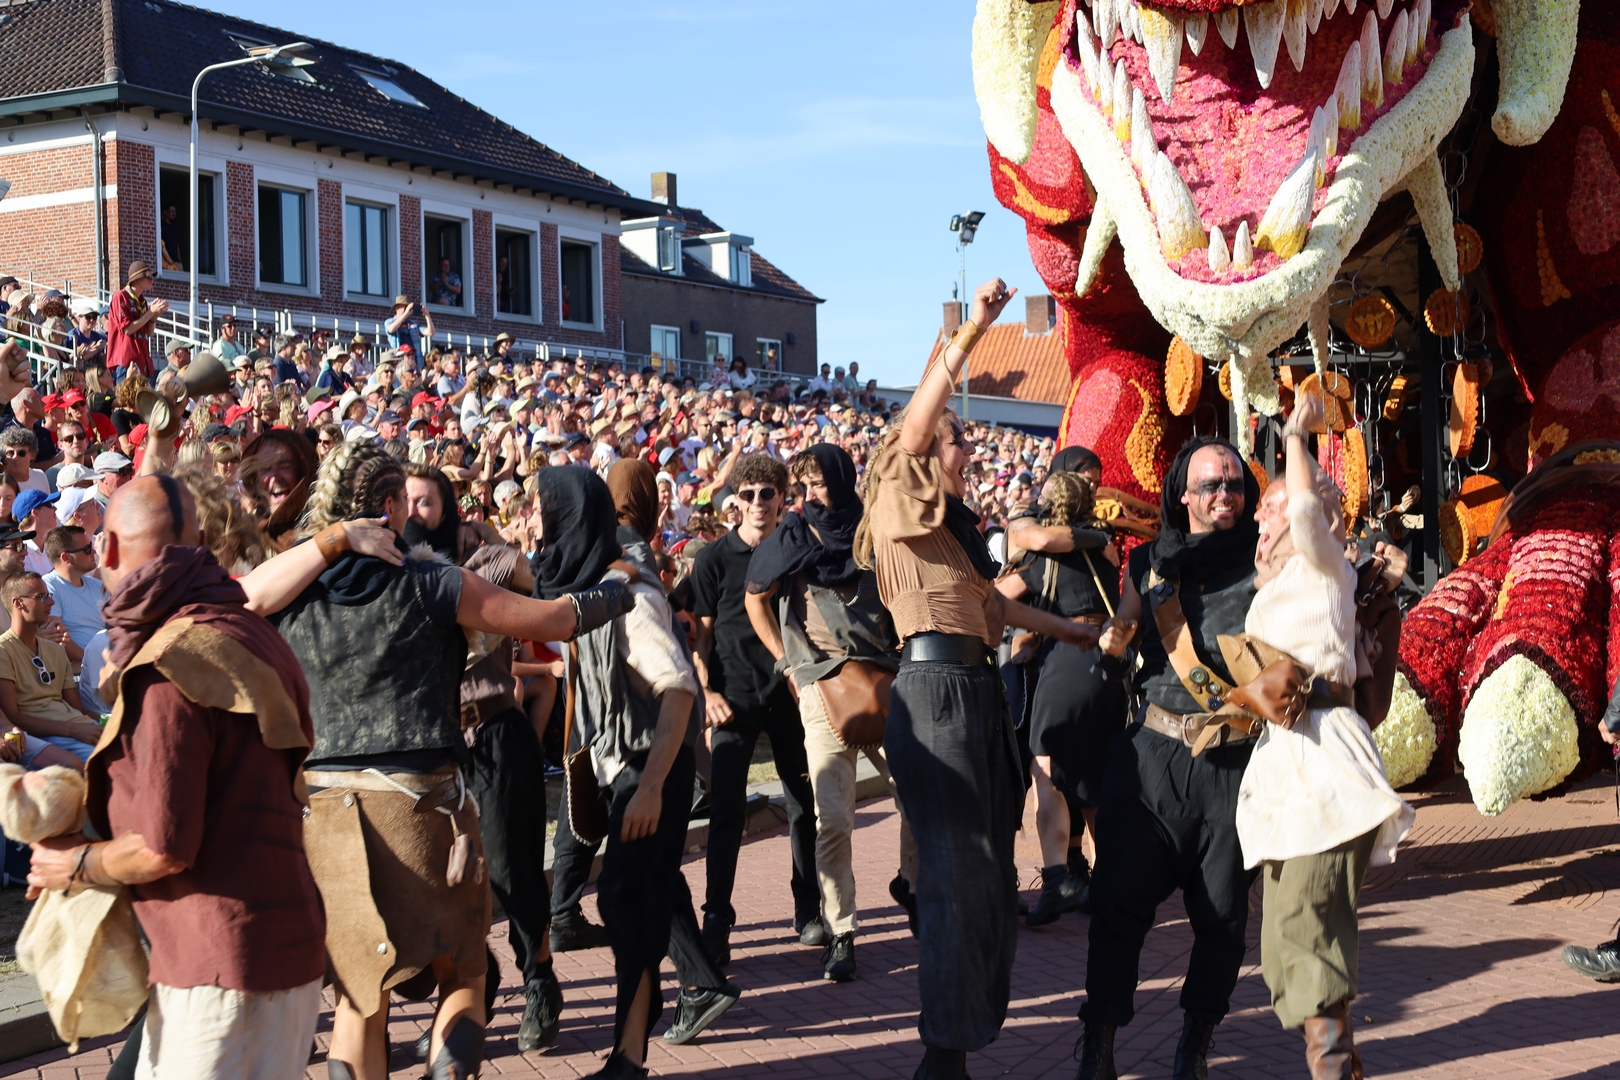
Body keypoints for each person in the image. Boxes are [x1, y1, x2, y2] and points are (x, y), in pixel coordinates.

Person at [259, 442, 632, 1080]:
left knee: (358, 995)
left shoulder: (290, 589)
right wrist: (622, 588)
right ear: (387, 506)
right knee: (462, 969)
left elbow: (238, 597)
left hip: (325, 813)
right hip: (420, 806)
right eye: (401, 500)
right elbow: (554, 618)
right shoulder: (432, 581)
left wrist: (327, 544)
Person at [855, 277, 1098, 1080]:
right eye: (958, 439)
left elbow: (997, 607)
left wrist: (1069, 629)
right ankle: (944, 1055)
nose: (969, 449)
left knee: (989, 874)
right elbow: (914, 428)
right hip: (935, 697)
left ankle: (959, 1036)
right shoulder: (899, 497)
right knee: (959, 876)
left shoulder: (949, 539)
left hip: (976, 695)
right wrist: (972, 332)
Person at [25, 477, 327, 1078]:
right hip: (284, 946)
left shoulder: (171, 662)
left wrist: (74, 864)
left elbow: (163, 846)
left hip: (218, 961)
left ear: (109, 549)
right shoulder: (249, 632)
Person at [1075, 435, 1267, 1080]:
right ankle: (1098, 1046)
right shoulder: (1149, 565)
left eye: (1235, 485)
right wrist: (1109, 642)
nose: (1225, 495)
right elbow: (1122, 636)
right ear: (1184, 494)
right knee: (1116, 906)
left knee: (1223, 918)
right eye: (1211, 484)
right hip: (1154, 759)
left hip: (1233, 764)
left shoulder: (1266, 562)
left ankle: (1195, 1048)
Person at [1235, 394, 1414, 1079]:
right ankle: (1341, 1066)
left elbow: (1309, 513)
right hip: (1288, 771)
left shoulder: (1324, 563)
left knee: (1310, 928)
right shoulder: (1283, 584)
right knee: (1285, 943)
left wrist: (1294, 435)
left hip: (1325, 767)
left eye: (1271, 505)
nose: (1261, 516)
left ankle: (1332, 1069)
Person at [531, 467, 708, 1078]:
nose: (539, 529)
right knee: (627, 902)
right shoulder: (586, 590)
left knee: (627, 903)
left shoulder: (631, 595)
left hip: (650, 768)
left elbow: (679, 691)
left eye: (547, 517)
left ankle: (629, 1056)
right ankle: (630, 1050)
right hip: (621, 769)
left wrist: (651, 788)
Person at [744, 443, 916, 982]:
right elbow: (755, 597)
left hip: (884, 681)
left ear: (842, 482)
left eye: (819, 483)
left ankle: (911, 883)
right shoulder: (794, 535)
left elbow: (903, 591)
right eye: (804, 485)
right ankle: (841, 931)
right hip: (821, 687)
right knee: (834, 820)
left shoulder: (873, 530)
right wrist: (788, 665)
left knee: (919, 798)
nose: (811, 495)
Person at [690, 452, 823, 963]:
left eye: (768, 493)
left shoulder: (798, 551)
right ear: (735, 501)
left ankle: (807, 908)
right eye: (748, 494)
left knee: (802, 804)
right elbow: (699, 638)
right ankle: (716, 918)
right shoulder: (712, 559)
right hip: (733, 697)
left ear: (782, 498)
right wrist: (706, 694)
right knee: (726, 812)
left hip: (790, 694)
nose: (758, 502)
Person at [994, 450, 1126, 926]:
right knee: (1095, 780)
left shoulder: (1042, 557)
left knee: (1046, 771)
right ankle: (1112, 884)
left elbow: (997, 599)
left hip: (1064, 662)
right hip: (1107, 665)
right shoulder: (1106, 549)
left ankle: (1057, 880)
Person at [459, 542, 564, 1053]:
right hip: (438, 747)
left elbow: (531, 575)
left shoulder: (478, 566)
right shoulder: (394, 574)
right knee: (447, 877)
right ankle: (478, 979)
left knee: (510, 871)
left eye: (425, 502)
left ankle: (539, 979)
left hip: (496, 732)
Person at [0, 571, 103, 761]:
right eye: (41, 597)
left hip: (82, 728)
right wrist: (73, 730)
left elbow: (77, 708)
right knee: (107, 762)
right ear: (18, 603)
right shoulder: (3, 650)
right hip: (53, 735)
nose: (51, 603)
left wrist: (109, 720)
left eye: (49, 595)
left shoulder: (56, 650)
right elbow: (13, 716)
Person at [42, 524, 105, 656]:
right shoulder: (48, 586)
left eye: (91, 546)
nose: (94, 552)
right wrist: (89, 662)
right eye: (87, 549)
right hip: (79, 666)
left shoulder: (97, 585)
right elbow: (58, 638)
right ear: (66, 557)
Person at [106, 262, 167, 381]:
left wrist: (153, 317)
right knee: (126, 393)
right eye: (149, 277)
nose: (152, 280)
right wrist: (150, 312)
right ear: (137, 279)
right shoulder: (120, 297)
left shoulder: (142, 301)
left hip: (142, 362)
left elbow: (149, 333)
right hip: (127, 363)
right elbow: (127, 330)